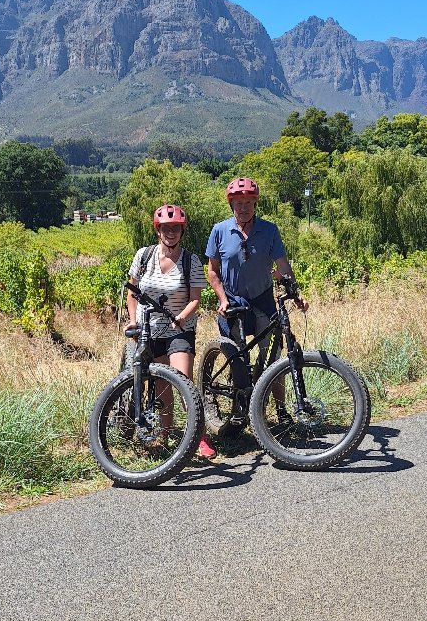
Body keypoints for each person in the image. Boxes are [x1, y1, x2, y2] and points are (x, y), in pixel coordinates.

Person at [205, 177, 308, 416]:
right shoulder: (219, 231)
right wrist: (222, 298)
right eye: (238, 202)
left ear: (255, 204)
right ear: (231, 204)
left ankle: (281, 411)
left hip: (262, 299)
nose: (243, 207)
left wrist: (295, 294)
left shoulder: (269, 230)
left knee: (273, 356)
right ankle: (238, 409)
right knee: (238, 358)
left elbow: (282, 266)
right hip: (233, 301)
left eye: (248, 202)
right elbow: (212, 271)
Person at [126, 203, 216, 459]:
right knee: (162, 384)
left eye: (175, 228)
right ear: (158, 231)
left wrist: (182, 317)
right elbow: (133, 293)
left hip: (179, 329)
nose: (171, 232)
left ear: (182, 230)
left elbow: (195, 299)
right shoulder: (143, 256)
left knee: (182, 379)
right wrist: (133, 321)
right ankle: (165, 434)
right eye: (166, 228)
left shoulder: (191, 260)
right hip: (149, 329)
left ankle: (198, 435)